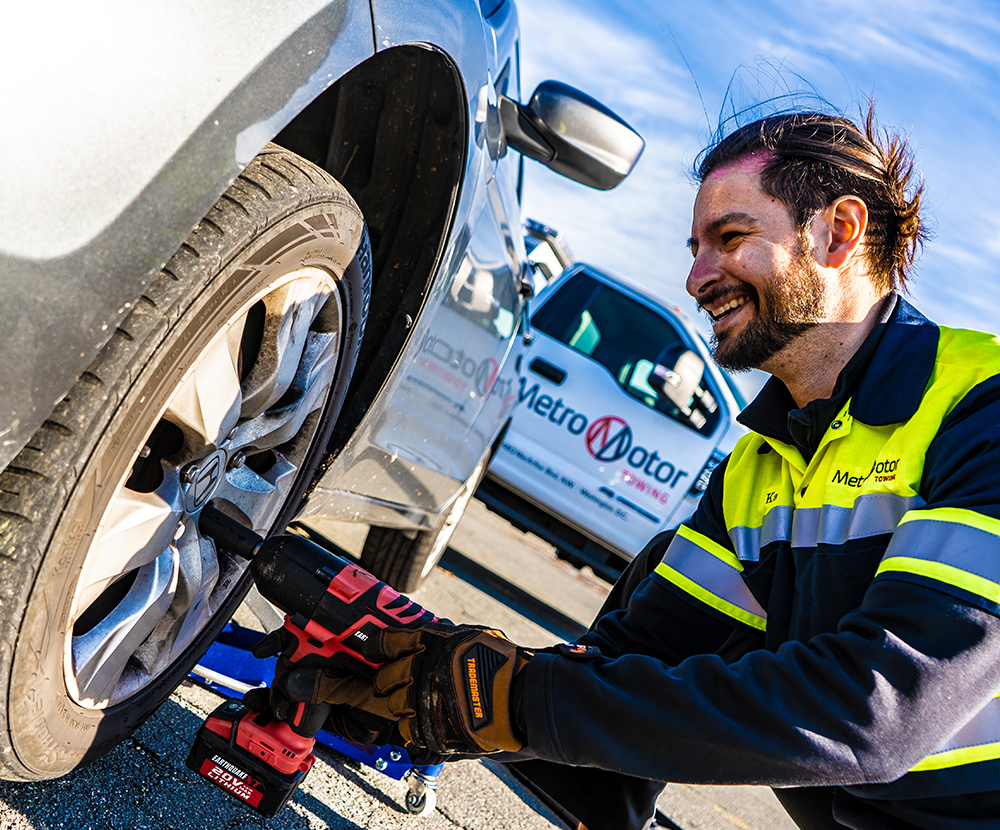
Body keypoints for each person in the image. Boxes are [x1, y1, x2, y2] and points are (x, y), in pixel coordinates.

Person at [264, 105, 1000, 830]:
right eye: (693, 248)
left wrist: (518, 704)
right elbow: (641, 657)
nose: (697, 278)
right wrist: (429, 689)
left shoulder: (981, 410)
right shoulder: (760, 461)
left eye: (731, 238)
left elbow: (873, 711)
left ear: (837, 232)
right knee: (660, 574)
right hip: (862, 813)